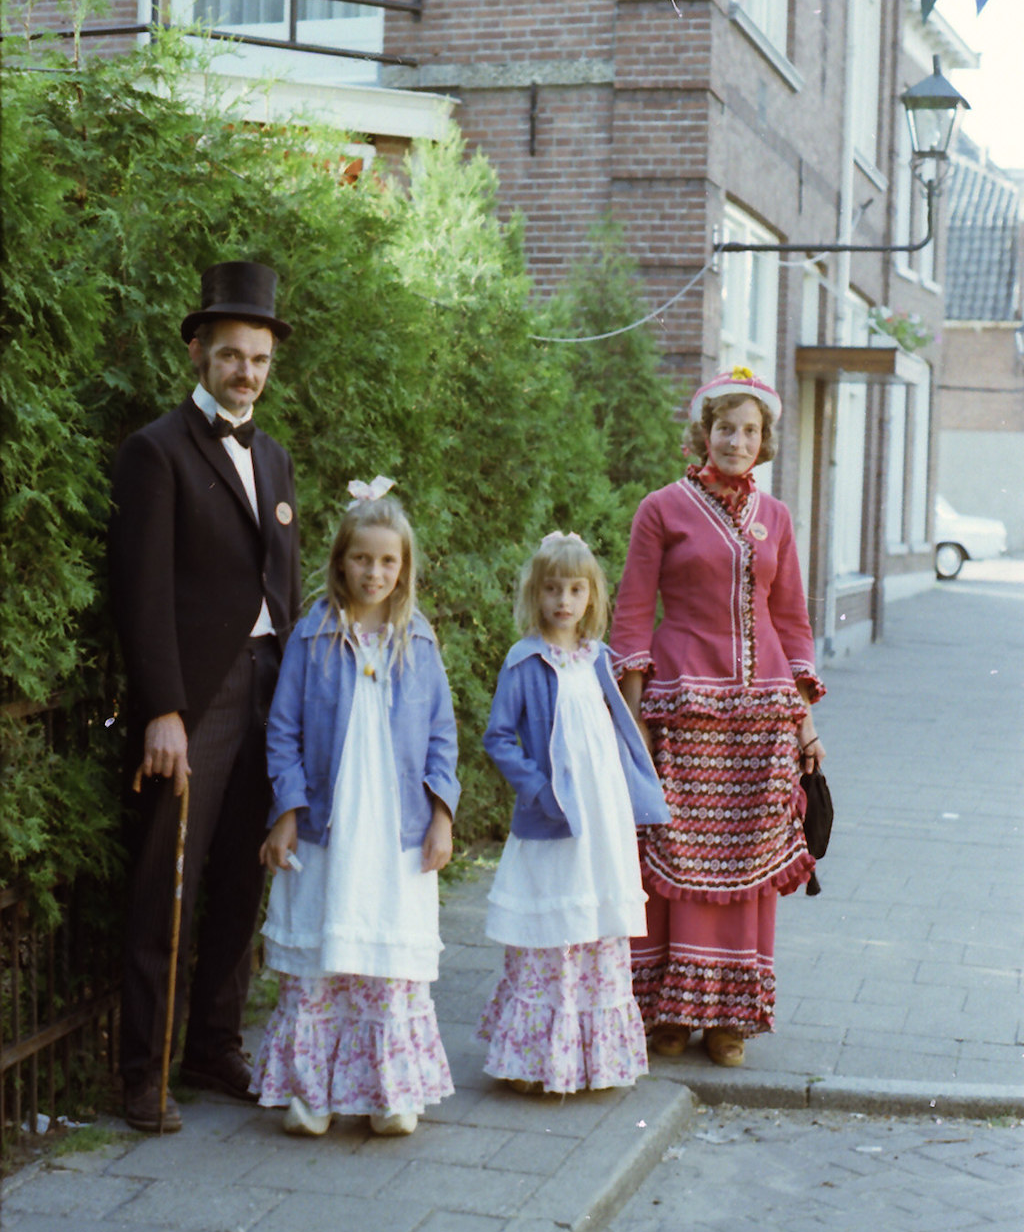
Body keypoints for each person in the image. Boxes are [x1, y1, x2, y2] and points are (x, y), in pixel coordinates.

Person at [108, 261, 302, 1132]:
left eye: (259, 359)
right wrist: (164, 709)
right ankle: (142, 1076)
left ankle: (213, 1046)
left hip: (271, 687)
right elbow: (141, 591)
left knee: (239, 879)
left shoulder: (276, 456)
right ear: (198, 352)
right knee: (169, 884)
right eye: (231, 356)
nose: (246, 373)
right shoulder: (156, 453)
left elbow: (283, 585)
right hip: (197, 701)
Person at [610, 365, 826, 1069]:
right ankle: (670, 1012)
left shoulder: (779, 519)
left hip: (762, 714)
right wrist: (636, 717)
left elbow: (791, 621)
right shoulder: (661, 508)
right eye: (725, 427)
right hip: (681, 705)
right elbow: (634, 611)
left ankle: (730, 1018)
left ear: (763, 441)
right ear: (704, 432)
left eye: (750, 430)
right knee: (671, 858)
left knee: (746, 865)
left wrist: (805, 724)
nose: (736, 440)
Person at [254, 479, 459, 1138]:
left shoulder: (418, 641)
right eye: (363, 558)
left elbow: (441, 738)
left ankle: (390, 1090)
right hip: (330, 827)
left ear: (404, 567)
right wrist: (286, 808)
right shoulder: (312, 635)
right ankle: (311, 1093)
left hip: (395, 829)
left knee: (386, 958)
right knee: (324, 947)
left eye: (388, 561)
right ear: (341, 559)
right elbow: (283, 729)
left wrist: (442, 815)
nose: (375, 572)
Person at [477, 531, 669, 1095]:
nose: (564, 601)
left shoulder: (599, 661)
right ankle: (536, 1060)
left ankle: (593, 1058)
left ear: (592, 597)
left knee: (594, 924)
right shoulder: (525, 661)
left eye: (575, 590)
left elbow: (616, 736)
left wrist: (633, 792)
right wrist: (538, 790)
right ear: (536, 595)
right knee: (553, 923)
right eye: (553, 589)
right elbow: (499, 737)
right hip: (555, 822)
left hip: (601, 822)